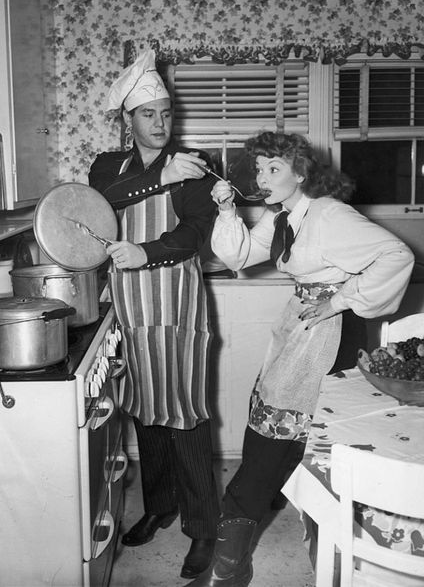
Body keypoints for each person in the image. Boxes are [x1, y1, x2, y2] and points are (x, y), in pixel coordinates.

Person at [185, 131, 415, 587]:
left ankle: (233, 565)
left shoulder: (330, 215)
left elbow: (396, 254)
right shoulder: (285, 215)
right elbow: (240, 255)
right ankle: (263, 537)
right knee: (280, 426)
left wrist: (339, 301)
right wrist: (228, 210)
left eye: (274, 168)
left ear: (302, 172)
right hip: (302, 328)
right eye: (259, 169)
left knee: (293, 434)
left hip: (330, 334)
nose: (262, 177)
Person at [88, 49, 220, 580]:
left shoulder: (195, 163)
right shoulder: (107, 166)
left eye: (167, 113)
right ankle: (160, 506)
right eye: (149, 115)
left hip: (176, 308)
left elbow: (194, 232)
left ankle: (203, 527)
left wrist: (146, 250)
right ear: (129, 120)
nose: (161, 124)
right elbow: (97, 204)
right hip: (129, 309)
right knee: (145, 409)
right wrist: (157, 176)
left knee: (183, 411)